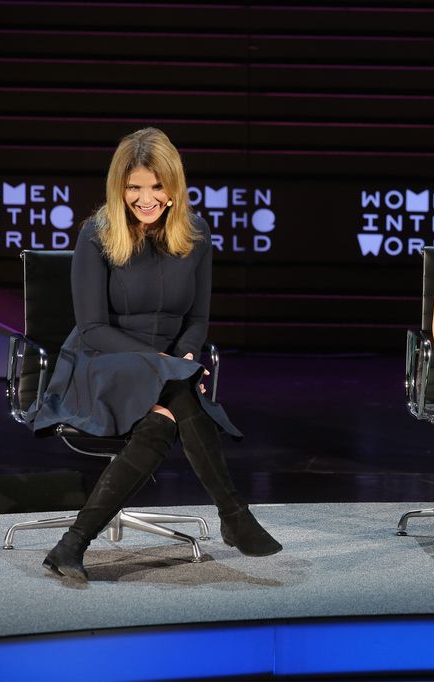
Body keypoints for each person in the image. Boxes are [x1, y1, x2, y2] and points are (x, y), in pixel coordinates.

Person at [30, 128, 281, 581]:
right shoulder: (96, 234)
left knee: (164, 416)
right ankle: (234, 516)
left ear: (173, 186)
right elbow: (92, 328)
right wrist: (166, 365)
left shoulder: (196, 233)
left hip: (167, 371)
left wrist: (183, 358)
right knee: (180, 395)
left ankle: (70, 546)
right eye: (134, 188)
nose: (146, 198)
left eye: (156, 186)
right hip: (99, 363)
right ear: (119, 188)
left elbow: (198, 321)